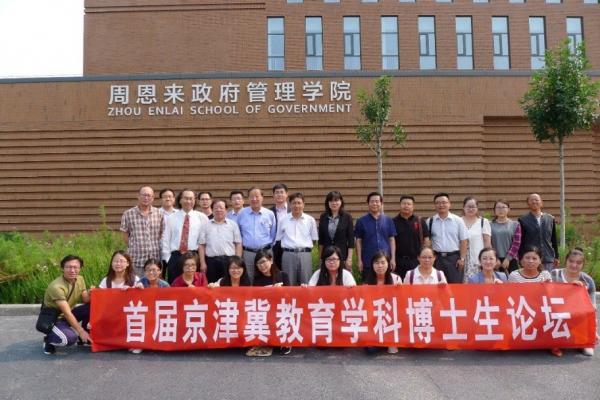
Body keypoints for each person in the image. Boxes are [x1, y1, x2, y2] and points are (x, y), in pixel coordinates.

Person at [551, 248, 598, 357]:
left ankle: (585, 342)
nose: (574, 265)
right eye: (571, 261)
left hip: (576, 312)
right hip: (558, 310)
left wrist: (579, 291)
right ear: (566, 261)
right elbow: (547, 294)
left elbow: (593, 305)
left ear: (583, 264)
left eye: (578, 263)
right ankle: (555, 341)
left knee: (590, 314)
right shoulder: (555, 274)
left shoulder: (587, 280)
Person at [41, 255, 91, 355]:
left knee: (91, 308)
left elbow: (86, 300)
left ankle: (85, 338)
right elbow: (67, 313)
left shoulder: (80, 279)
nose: (72, 270)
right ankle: (49, 339)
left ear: (80, 268)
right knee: (69, 339)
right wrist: (80, 331)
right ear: (62, 268)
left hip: (68, 314)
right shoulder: (57, 287)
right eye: (68, 267)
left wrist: (91, 293)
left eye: (75, 267)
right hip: (55, 318)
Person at [247, 250, 290, 357]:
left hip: (281, 309)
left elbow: (290, 296)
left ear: (271, 260)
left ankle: (285, 341)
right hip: (265, 310)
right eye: (258, 263)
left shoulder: (282, 275)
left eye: (264, 261)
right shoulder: (257, 280)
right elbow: (255, 299)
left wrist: (281, 291)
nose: (262, 266)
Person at [161, 189, 208, 284]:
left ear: (194, 200)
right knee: (175, 286)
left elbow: (204, 240)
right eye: (186, 198)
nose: (188, 201)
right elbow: (166, 239)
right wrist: (168, 259)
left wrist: (202, 260)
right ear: (180, 200)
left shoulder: (202, 217)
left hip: (194, 257)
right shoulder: (171, 218)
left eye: (191, 199)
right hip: (175, 257)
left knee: (194, 286)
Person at [362, 251, 402, 354]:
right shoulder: (367, 281)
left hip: (391, 318)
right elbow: (365, 304)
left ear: (388, 264)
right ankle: (379, 339)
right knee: (370, 350)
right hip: (374, 318)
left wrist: (399, 290)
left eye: (383, 262)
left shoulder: (396, 279)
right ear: (372, 265)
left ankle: (391, 341)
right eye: (376, 263)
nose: (380, 266)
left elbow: (401, 302)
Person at [120, 185, 164, 276]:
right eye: (143, 195)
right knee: (136, 283)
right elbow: (125, 234)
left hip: (154, 260)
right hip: (136, 260)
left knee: (153, 284)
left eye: (149, 195)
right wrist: (134, 246)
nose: (146, 198)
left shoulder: (159, 213)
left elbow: (161, 233)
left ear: (153, 198)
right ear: (138, 196)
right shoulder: (128, 214)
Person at [277, 192, 318, 286]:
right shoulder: (283, 220)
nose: (296, 205)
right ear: (290, 205)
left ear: (304, 204)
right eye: (294, 203)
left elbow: (314, 239)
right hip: (288, 254)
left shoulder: (310, 220)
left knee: (306, 283)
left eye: (299, 203)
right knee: (288, 283)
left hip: (305, 254)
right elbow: (278, 238)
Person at [237, 187, 277, 283]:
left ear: (262, 198)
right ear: (248, 198)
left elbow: (273, 234)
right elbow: (239, 234)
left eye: (257, 196)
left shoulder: (269, 214)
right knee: (249, 277)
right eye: (251, 197)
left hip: (266, 252)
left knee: (268, 276)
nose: (254, 199)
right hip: (248, 253)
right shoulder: (242, 214)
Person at [198, 199, 243, 283]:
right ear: (212, 210)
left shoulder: (233, 225)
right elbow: (201, 245)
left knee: (228, 284)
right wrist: (203, 263)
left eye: (221, 208)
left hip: (229, 261)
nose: (218, 210)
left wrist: (237, 261)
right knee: (212, 285)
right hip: (211, 262)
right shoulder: (205, 225)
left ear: (226, 210)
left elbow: (238, 244)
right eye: (216, 208)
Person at [354, 192, 397, 280]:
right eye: (372, 201)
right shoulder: (361, 221)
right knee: (368, 285)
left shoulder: (388, 220)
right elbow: (358, 241)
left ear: (381, 203)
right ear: (368, 203)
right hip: (367, 261)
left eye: (377, 201)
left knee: (386, 284)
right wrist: (359, 260)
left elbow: (392, 240)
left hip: (385, 261)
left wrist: (393, 258)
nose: (375, 204)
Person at [427, 192, 468, 283]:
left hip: (454, 259)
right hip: (437, 258)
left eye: (444, 202)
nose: (441, 205)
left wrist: (462, 259)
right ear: (434, 205)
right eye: (438, 203)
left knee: (455, 286)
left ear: (449, 204)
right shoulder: (430, 221)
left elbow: (464, 241)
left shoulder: (458, 221)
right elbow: (427, 242)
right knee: (436, 285)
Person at [392, 194, 430, 280]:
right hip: (398, 261)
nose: (406, 206)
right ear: (400, 205)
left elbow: (426, 240)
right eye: (404, 203)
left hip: (416, 260)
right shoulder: (393, 222)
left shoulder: (420, 221)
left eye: (409, 204)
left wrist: (424, 257)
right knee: (399, 284)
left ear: (413, 206)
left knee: (416, 283)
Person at [518, 193, 559, 272]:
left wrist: (556, 256)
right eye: (531, 200)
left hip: (548, 258)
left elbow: (554, 239)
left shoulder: (550, 219)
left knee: (547, 278)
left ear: (541, 203)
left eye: (536, 200)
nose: (534, 202)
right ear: (528, 204)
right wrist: (521, 257)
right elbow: (521, 241)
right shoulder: (523, 220)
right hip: (531, 259)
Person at [318, 190, 354, 271]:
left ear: (341, 202)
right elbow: (321, 241)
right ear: (327, 203)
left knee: (343, 277)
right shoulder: (323, 217)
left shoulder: (347, 217)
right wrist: (320, 258)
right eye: (331, 201)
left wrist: (349, 258)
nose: (334, 203)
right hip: (327, 257)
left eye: (336, 200)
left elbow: (351, 240)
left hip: (342, 256)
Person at [461, 196, 492, 282]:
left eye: (473, 207)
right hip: (461, 260)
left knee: (478, 283)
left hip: (477, 260)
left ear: (477, 208)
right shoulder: (458, 221)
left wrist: (487, 259)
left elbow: (487, 242)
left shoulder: (483, 222)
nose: (471, 209)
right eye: (468, 207)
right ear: (463, 207)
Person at [490, 199, 521, 274]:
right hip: (494, 260)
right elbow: (488, 243)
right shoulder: (489, 225)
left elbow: (516, 243)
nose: (501, 210)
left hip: (511, 259)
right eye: (498, 207)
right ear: (494, 210)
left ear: (509, 209)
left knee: (513, 280)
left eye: (503, 207)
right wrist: (495, 258)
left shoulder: (515, 224)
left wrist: (508, 258)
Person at [270, 183, 290, 271]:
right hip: (275, 246)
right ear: (273, 195)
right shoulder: (269, 212)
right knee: (276, 271)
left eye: (282, 192)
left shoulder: (293, 209)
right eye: (277, 192)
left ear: (287, 194)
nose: (279, 195)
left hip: (289, 245)